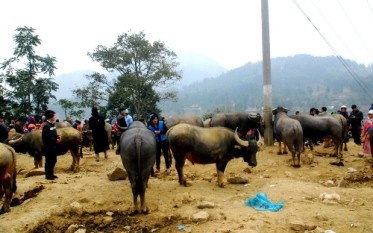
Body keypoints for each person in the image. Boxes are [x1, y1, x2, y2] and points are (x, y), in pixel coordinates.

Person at [42, 110, 62, 180]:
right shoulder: (46, 126)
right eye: (54, 116)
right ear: (51, 117)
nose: (55, 117)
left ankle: (51, 174)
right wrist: (55, 140)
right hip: (48, 146)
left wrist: (58, 136)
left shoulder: (52, 125)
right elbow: (45, 136)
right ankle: (48, 175)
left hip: (53, 146)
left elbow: (53, 133)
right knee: (49, 161)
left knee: (53, 160)